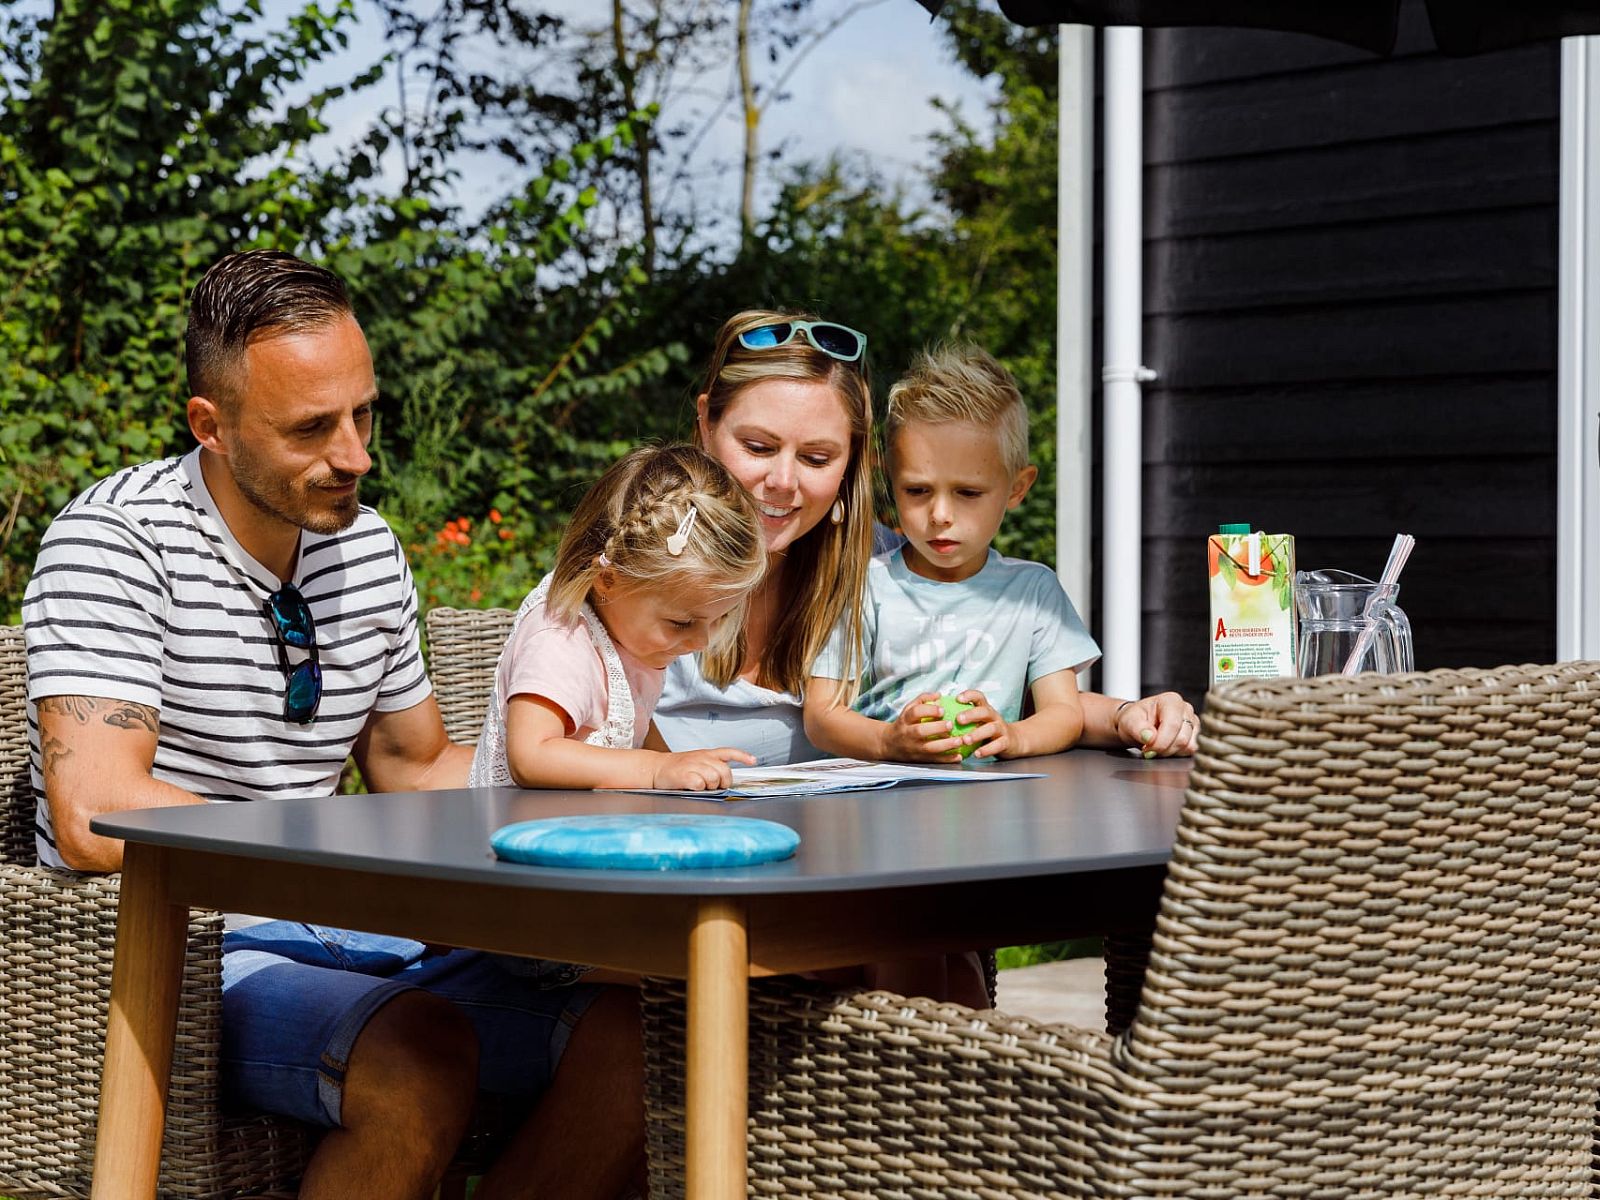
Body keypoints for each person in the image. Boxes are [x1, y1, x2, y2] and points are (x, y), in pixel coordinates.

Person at [23, 250, 644, 1200]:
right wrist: (332, 857)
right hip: (183, 951)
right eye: (313, 428)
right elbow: (96, 812)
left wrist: (609, 782)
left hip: (358, 930)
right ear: (212, 427)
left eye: (364, 413)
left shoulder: (368, 549)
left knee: (647, 1028)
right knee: (419, 1054)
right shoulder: (116, 541)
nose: (355, 455)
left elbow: (414, 767)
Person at [652, 308, 1199, 766]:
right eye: (758, 447)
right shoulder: (637, 571)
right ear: (705, 424)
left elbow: (1037, 703)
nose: (783, 482)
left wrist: (1133, 715)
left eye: (817, 457)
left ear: (854, 463)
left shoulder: (882, 563)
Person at [804, 344, 1095, 764]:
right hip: (881, 802)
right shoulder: (864, 585)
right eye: (917, 491)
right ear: (891, 478)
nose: (940, 515)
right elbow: (821, 715)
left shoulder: (1033, 591)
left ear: (1017, 487)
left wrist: (1013, 736)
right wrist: (889, 741)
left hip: (997, 807)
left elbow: (1064, 713)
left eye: (968, 493)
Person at [470, 443, 765, 795]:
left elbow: (629, 721)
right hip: (522, 836)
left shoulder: (626, 633)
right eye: (682, 623)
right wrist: (656, 769)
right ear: (608, 580)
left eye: (719, 619)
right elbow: (532, 755)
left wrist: (677, 765)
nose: (701, 641)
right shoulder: (559, 637)